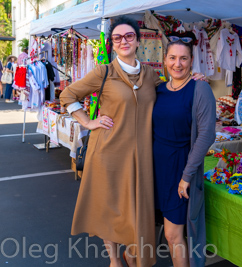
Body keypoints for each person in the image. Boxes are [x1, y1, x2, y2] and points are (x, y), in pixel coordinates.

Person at [60, 16, 162, 267]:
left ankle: (132, 252)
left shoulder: (150, 74)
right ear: (112, 44)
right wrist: (87, 122)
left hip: (142, 156)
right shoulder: (103, 72)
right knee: (110, 207)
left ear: (138, 40)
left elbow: (169, 94)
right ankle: (115, 260)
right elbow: (68, 94)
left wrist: (194, 81)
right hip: (108, 152)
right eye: (117, 38)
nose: (123, 41)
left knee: (135, 207)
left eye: (129, 36)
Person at [153, 39, 216, 267]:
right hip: (154, 169)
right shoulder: (158, 89)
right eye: (172, 58)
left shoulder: (200, 88)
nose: (177, 64)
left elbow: (207, 135)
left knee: (173, 235)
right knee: (151, 230)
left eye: (183, 58)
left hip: (180, 171)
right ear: (165, 60)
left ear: (191, 61)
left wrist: (187, 176)